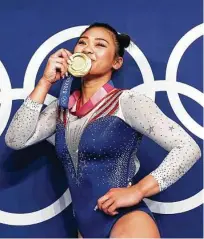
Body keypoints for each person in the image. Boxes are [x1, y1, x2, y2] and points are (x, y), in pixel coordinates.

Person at [5, 22, 201, 238]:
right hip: (84, 229)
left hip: (127, 222)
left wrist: (139, 190)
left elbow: (188, 148)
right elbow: (15, 139)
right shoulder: (61, 108)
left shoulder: (127, 101)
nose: (87, 49)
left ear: (116, 62)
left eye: (100, 45)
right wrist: (45, 82)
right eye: (82, 43)